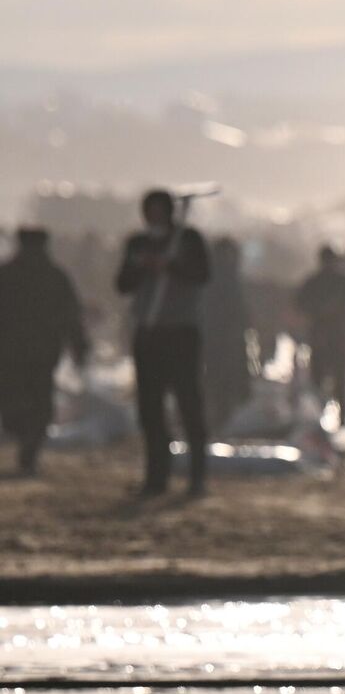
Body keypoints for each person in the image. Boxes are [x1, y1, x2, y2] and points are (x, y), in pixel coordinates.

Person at [116, 188, 212, 497]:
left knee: (189, 406)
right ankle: (157, 478)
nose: (153, 218)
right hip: (148, 334)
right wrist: (143, 266)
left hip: (181, 334)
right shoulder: (138, 244)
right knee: (150, 410)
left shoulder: (188, 240)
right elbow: (122, 284)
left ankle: (197, 478)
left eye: (159, 212)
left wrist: (171, 266)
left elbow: (202, 275)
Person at [0, 229, 89, 474]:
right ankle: (28, 441)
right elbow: (72, 316)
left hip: (34, 352)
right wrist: (78, 346)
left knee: (32, 402)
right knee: (21, 403)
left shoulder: (51, 277)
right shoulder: (15, 275)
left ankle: (29, 446)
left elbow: (71, 316)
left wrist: (79, 345)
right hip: (19, 352)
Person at [295, 246, 345, 419]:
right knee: (326, 377)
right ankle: (328, 415)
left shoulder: (324, 282)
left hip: (332, 334)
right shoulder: (330, 282)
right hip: (325, 334)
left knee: (334, 378)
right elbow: (301, 305)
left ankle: (332, 415)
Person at [200, 236, 252, 433]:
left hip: (218, 337)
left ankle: (217, 421)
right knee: (222, 381)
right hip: (222, 338)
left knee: (216, 381)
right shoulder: (224, 275)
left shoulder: (215, 274)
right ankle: (219, 422)